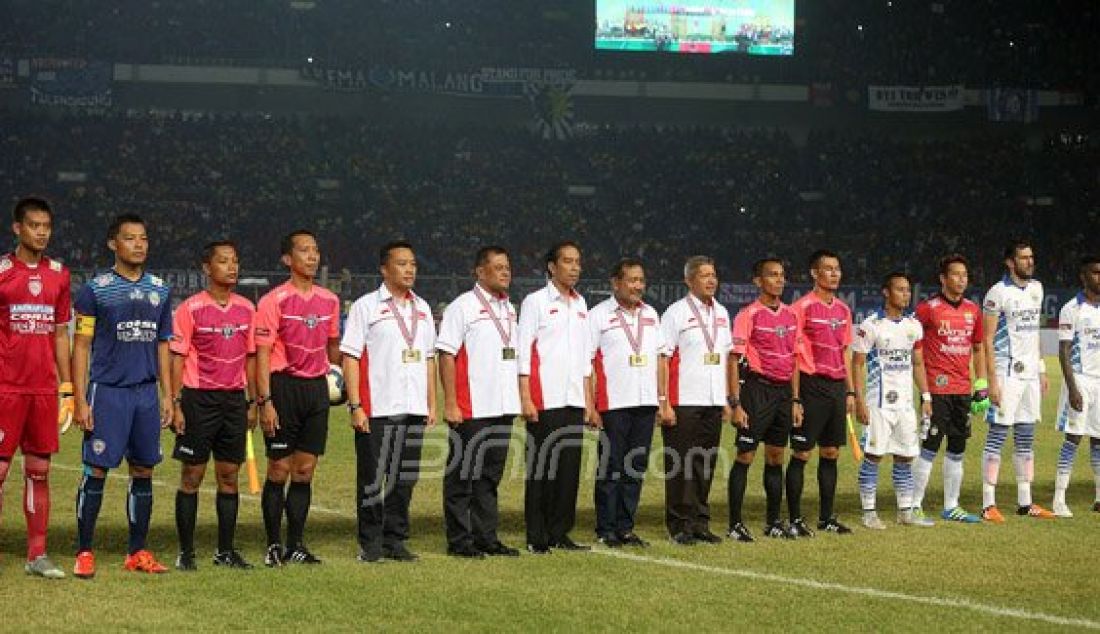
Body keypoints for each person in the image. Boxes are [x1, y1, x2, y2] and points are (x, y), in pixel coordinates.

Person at [72, 213, 174, 577]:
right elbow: (81, 345)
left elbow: (163, 344)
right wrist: (81, 399)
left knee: (143, 469)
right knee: (96, 468)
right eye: (130, 238)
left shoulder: (160, 289)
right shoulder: (96, 289)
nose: (139, 245)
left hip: (145, 393)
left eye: (143, 238)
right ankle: (84, 551)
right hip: (108, 392)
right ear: (113, 244)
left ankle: (137, 552)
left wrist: (168, 395)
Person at [341, 241, 436, 563]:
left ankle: (396, 540)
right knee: (372, 477)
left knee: (404, 477)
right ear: (384, 269)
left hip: (413, 407)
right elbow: (350, 358)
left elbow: (430, 358)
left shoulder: (423, 308)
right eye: (401, 264)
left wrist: (431, 403)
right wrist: (355, 406)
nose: (409, 270)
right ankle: (370, 541)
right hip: (378, 407)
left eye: (412, 264)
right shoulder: (366, 307)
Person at [169, 240, 257, 570]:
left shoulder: (247, 309)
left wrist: (252, 402)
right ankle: (186, 552)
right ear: (207, 268)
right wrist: (176, 403)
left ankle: (225, 551)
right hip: (198, 399)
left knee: (229, 476)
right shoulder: (190, 309)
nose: (231, 267)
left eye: (235, 261)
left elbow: (250, 358)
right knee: (192, 475)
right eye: (223, 261)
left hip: (234, 401)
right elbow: (177, 359)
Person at [255, 229, 341, 566]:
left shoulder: (329, 301)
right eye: (304, 251)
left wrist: (337, 378)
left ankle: (297, 545)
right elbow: (262, 354)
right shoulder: (273, 301)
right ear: (287, 259)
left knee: (304, 470)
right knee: (279, 468)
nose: (312, 256)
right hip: (283, 387)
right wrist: (265, 401)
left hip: (316, 389)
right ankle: (273, 544)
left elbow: (333, 348)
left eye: (315, 250)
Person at [0, 197, 72, 578]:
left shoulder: (60, 274)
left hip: (43, 390)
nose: (41, 232)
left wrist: (67, 386)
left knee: (39, 471)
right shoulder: (1, 271)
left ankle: (37, 555)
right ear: (17, 228)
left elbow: (61, 333)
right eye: (33, 226)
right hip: (5, 388)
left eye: (46, 226)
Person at [437, 246, 521, 558]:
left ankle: (486, 537)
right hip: (472, 407)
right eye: (498, 267)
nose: (505, 272)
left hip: (502, 406)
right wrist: (451, 403)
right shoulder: (463, 306)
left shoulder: (509, 308)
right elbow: (446, 354)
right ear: (480, 272)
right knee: (462, 476)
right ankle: (460, 542)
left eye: (508, 267)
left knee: (489, 477)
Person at [518, 240, 596, 554]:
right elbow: (524, 352)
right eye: (567, 261)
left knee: (568, 472)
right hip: (545, 399)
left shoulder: (581, 305)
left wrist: (589, 403)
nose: (575, 267)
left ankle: (560, 532)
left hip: (574, 400)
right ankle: (537, 536)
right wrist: (525, 397)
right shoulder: (535, 302)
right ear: (552, 266)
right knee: (541, 470)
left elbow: (586, 359)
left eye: (578, 261)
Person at [588, 257, 667, 548]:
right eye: (632, 280)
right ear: (616, 283)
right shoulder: (597, 315)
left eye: (641, 281)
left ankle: (625, 527)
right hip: (613, 404)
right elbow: (588, 364)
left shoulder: (651, 314)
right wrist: (591, 405)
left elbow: (661, 359)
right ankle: (605, 527)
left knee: (635, 468)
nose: (638, 286)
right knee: (610, 468)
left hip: (645, 403)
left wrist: (662, 400)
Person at [659, 255, 733, 546]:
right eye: (704, 275)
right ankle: (679, 525)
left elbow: (725, 358)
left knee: (705, 464)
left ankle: (700, 522)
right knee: (681, 465)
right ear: (689, 281)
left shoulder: (722, 313)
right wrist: (664, 401)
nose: (711, 280)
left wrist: (727, 399)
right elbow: (663, 358)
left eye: (713, 274)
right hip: (684, 401)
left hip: (713, 401)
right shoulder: (675, 313)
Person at [980, 240, 1055, 521]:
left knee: (1026, 439)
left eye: (1031, 257)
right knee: (997, 436)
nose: (1029, 262)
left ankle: (1026, 502)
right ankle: (988, 504)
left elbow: (1035, 331)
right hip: (1006, 373)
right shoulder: (997, 293)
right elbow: (987, 339)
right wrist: (992, 381)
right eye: (1023, 258)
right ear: (1010, 262)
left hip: (1030, 377)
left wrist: (1042, 368)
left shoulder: (1037, 289)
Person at [851, 272, 933, 529]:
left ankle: (905, 511)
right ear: (886, 292)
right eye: (900, 290)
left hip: (906, 406)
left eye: (908, 290)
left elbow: (918, 362)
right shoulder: (870, 326)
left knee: (905, 457)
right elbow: (857, 365)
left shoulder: (913, 326)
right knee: (873, 456)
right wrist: (860, 401)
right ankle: (868, 513)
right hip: (878, 405)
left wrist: (926, 395)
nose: (906, 294)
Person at [911, 254, 987, 524]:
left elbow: (978, 348)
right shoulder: (927, 309)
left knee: (957, 447)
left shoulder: (973, 310)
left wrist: (981, 384)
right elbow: (912, 343)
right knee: (930, 445)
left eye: (965, 275)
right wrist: (924, 392)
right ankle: (913, 505)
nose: (961, 280)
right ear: (943, 278)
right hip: (937, 391)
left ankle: (951, 505)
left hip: (961, 390)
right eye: (955, 274)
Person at [727, 258, 800, 541]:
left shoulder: (791, 315)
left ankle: (773, 522)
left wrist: (795, 400)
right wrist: (736, 402)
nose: (779, 280)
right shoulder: (748, 315)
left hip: (783, 394)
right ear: (758, 281)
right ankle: (735, 524)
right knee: (745, 455)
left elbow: (794, 359)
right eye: (772, 275)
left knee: (775, 457)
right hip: (757, 391)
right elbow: (733, 361)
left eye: (782, 275)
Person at [788, 249, 855, 536]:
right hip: (811, 386)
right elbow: (791, 354)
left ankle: (827, 517)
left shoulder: (843, 310)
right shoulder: (800, 308)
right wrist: (795, 397)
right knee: (802, 453)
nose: (834, 273)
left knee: (830, 453)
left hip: (837, 387)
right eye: (828, 269)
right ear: (814, 274)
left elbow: (846, 352)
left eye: (837, 269)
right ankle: (794, 519)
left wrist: (851, 392)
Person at [1051, 255, 1100, 517]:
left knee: (1099, 440)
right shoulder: (1072, 308)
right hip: (1080, 378)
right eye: (1095, 272)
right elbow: (1064, 350)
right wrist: (1072, 388)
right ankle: (1059, 499)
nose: (1099, 277)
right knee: (1073, 438)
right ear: (1084, 276)